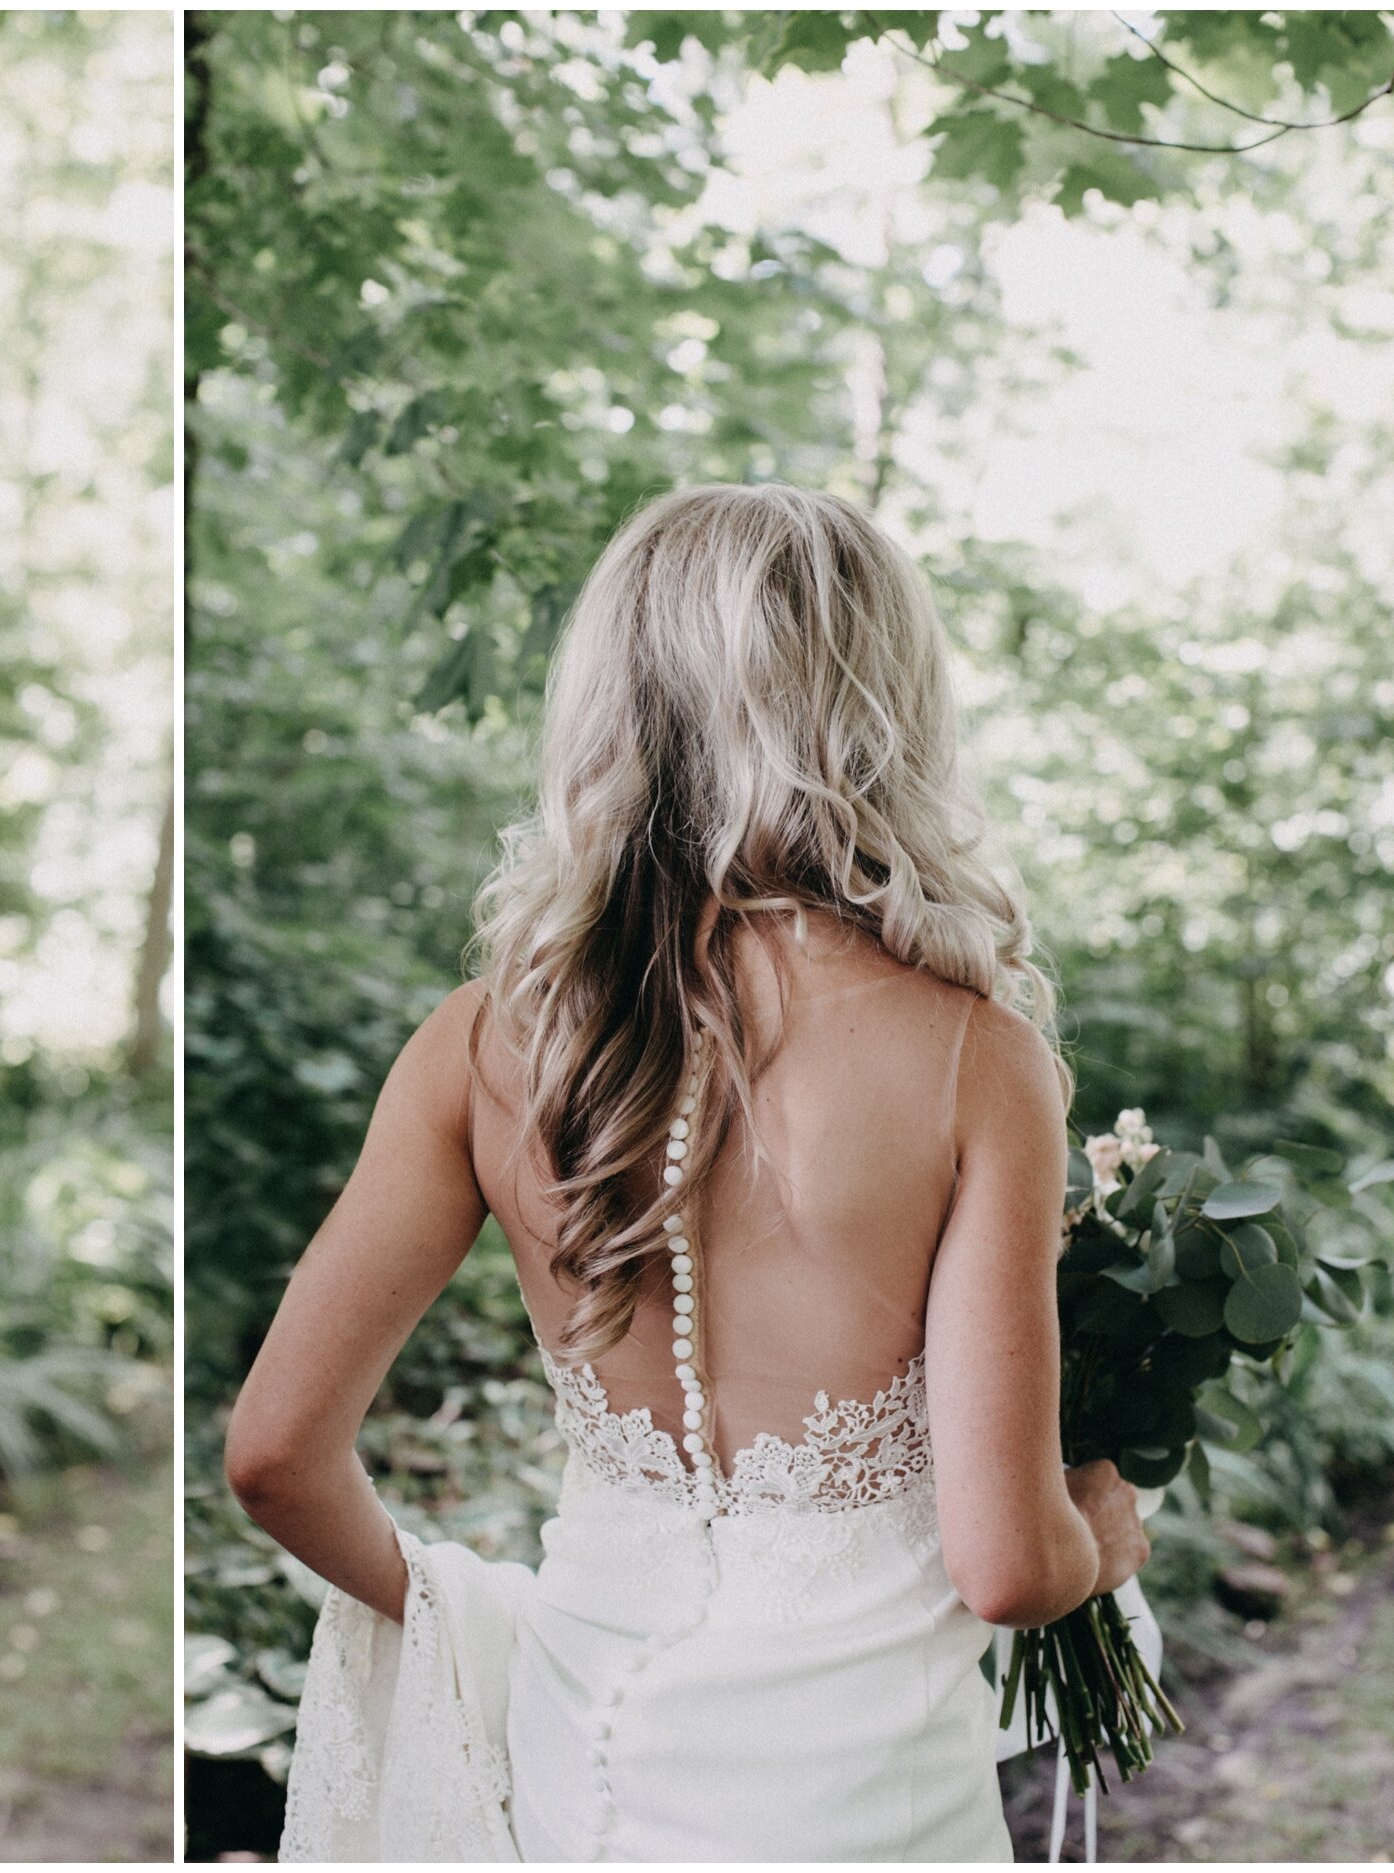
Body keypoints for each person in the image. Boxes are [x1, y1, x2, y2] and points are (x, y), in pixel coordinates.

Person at [226, 484, 1153, 1861]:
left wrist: (479, 1624)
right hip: (855, 1804)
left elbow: (272, 1456)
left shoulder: (479, 1046)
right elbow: (1010, 1569)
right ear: (884, 708)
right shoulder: (974, 1060)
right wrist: (1103, 1526)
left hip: (583, 1764)